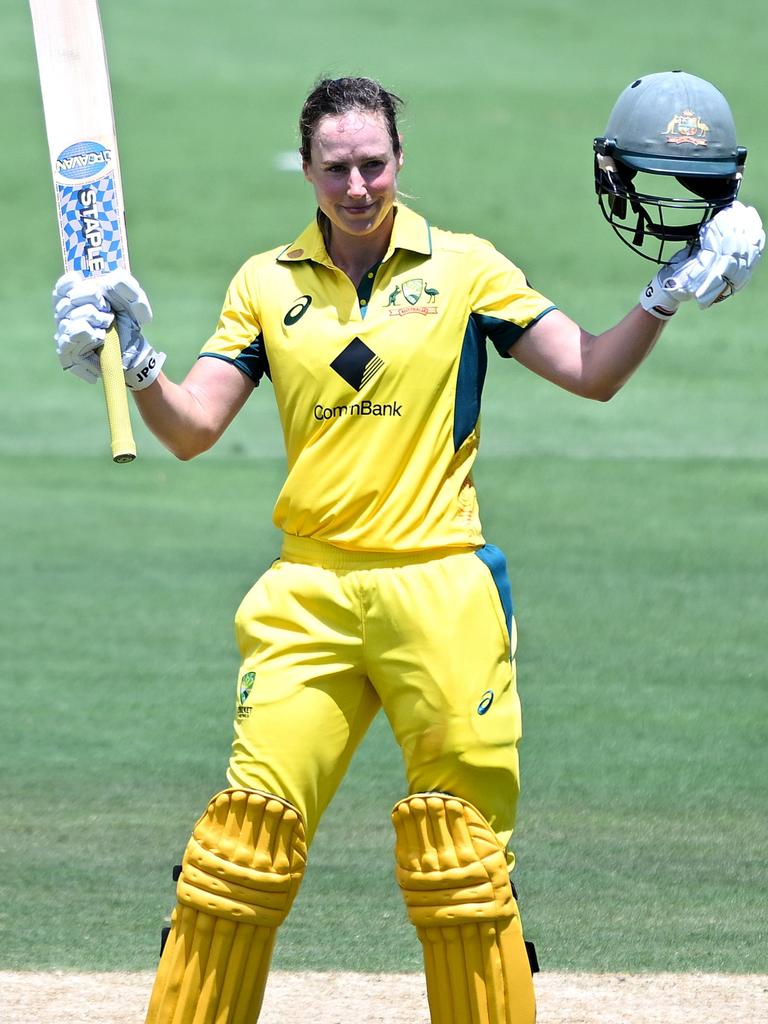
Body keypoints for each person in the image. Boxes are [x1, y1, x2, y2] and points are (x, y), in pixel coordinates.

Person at [52, 74, 762, 1024]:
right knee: (238, 853)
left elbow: (591, 373)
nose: (357, 186)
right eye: (337, 167)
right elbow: (189, 430)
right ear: (306, 170)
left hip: (441, 590)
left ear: (399, 162)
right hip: (308, 594)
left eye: (373, 165)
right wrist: (136, 359)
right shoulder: (266, 283)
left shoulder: (467, 270)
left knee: (461, 865)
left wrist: (666, 295)